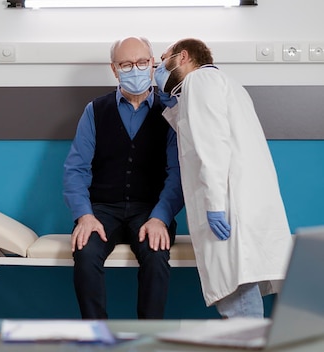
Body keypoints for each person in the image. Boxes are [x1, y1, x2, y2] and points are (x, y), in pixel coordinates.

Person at [155, 38, 293, 318]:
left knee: (238, 300)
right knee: (242, 294)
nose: (159, 68)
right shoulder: (224, 83)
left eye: (163, 59)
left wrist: (215, 206)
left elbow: (211, 147)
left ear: (182, 57)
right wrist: (173, 107)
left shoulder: (198, 82)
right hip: (246, 205)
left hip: (228, 208)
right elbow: (204, 130)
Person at [63, 37, 184, 320]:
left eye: (142, 62)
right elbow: (76, 169)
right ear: (115, 69)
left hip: (150, 211)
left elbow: (177, 173)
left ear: (153, 64)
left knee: (156, 255)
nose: (136, 69)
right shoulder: (95, 110)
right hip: (102, 210)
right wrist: (84, 216)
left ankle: (148, 338)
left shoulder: (170, 112)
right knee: (85, 252)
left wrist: (160, 218)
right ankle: (97, 336)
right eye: (127, 64)